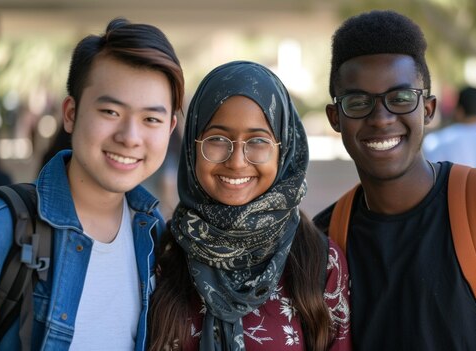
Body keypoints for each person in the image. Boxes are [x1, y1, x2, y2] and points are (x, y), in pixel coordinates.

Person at [313, 10, 476, 350]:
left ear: (428, 109)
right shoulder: (325, 240)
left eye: (400, 99)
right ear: (335, 118)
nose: (381, 118)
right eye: (358, 102)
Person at [0, 17, 184, 350]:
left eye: (151, 119)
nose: (130, 137)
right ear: (70, 113)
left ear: (169, 129)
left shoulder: (156, 238)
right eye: (111, 112)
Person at [149, 61, 351, 350]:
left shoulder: (319, 262)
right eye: (217, 139)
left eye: (258, 141)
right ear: (193, 145)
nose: (236, 161)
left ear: (284, 148)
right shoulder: (161, 254)